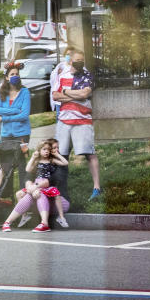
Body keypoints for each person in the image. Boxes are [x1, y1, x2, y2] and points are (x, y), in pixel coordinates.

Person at [52, 49, 101, 200]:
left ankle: (97, 188)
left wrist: (65, 93)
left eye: (82, 60)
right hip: (64, 120)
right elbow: (55, 95)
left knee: (89, 153)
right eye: (77, 60)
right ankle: (61, 192)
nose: (80, 63)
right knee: (61, 155)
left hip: (82, 120)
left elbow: (84, 94)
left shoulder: (87, 76)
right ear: (71, 60)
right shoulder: (62, 75)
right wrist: (73, 94)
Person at [1, 140, 70, 233]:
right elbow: (28, 170)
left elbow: (65, 163)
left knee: (39, 194)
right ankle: (8, 222)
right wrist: (33, 158)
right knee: (27, 195)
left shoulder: (51, 160)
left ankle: (44, 223)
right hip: (37, 184)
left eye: (48, 150)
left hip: (46, 187)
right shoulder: (37, 161)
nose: (46, 151)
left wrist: (57, 155)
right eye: (44, 149)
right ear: (39, 150)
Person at [0, 62, 31, 188]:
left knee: (21, 162)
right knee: (6, 164)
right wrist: (14, 110)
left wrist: (3, 118)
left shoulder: (25, 92)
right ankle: (6, 195)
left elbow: (24, 115)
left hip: (22, 134)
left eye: (17, 74)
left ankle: (23, 191)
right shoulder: (2, 93)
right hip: (6, 134)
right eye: (12, 74)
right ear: (7, 77)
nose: (15, 76)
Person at [49, 48, 73, 119]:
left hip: (72, 100)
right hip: (60, 102)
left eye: (71, 54)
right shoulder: (60, 67)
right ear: (65, 55)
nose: (69, 56)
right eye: (68, 54)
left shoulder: (76, 67)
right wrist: (57, 74)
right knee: (60, 120)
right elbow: (53, 82)